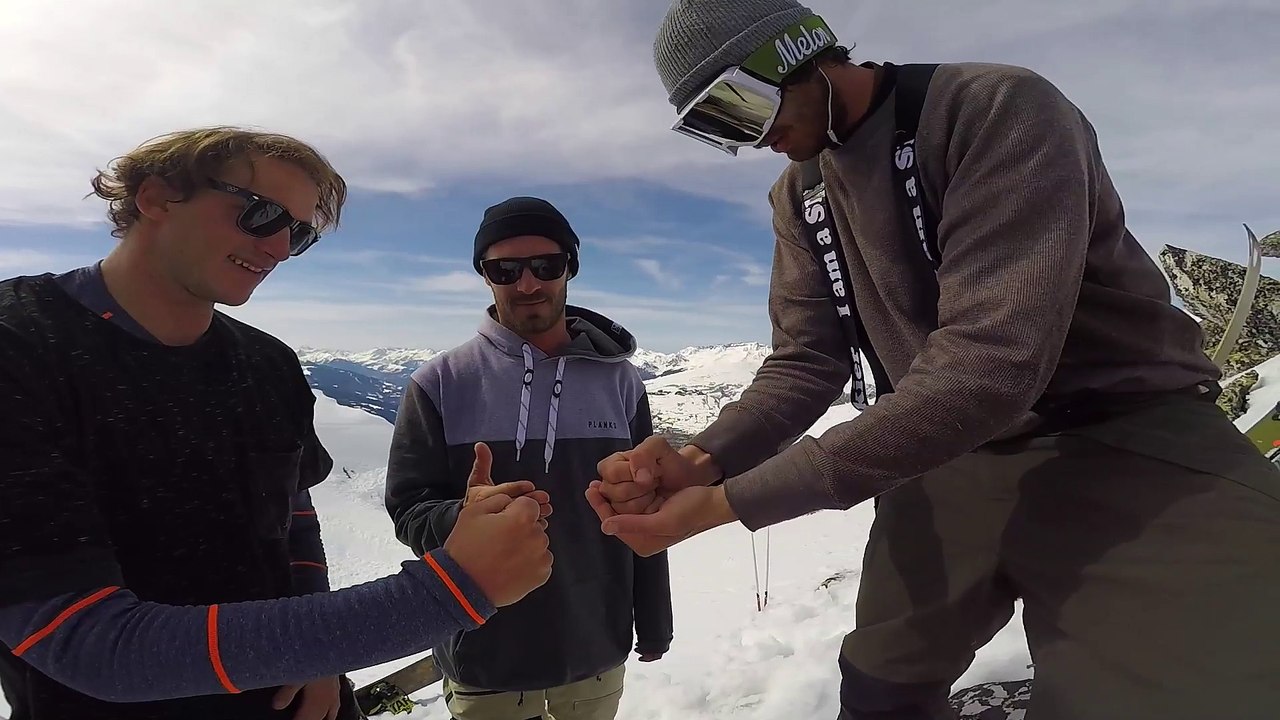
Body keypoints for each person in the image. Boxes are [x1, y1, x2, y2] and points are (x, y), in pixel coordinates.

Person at [587, 2, 1280, 719]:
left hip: (1127, 430)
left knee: (1201, 685)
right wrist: (700, 460)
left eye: (738, 106)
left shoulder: (994, 109)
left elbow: (991, 366)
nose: (752, 138)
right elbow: (804, 362)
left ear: (792, 53)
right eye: (716, 129)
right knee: (881, 685)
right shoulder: (803, 194)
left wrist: (730, 504)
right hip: (953, 448)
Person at [0, 127, 554, 720]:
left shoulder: (266, 363)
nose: (280, 248)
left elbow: (291, 514)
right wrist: (450, 592)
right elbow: (85, 642)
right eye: (261, 214)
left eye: (301, 233)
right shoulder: (22, 347)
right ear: (158, 197)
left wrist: (319, 657)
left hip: (296, 698)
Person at [384, 196, 674, 720]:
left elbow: (646, 511)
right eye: (505, 269)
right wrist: (462, 517)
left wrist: (654, 619)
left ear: (571, 269)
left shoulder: (621, 383)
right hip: (484, 650)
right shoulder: (440, 383)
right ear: (484, 276)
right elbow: (409, 511)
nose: (527, 284)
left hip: (594, 647)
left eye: (546, 265)